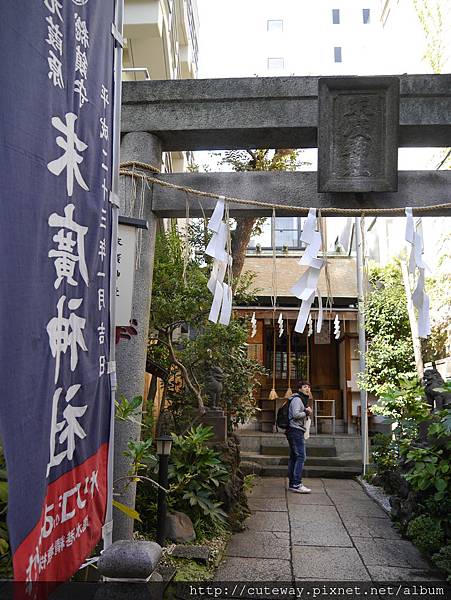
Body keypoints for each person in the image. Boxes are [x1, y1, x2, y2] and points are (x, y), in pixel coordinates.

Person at [286, 380, 313, 493]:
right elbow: (296, 414)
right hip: (295, 430)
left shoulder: (300, 399)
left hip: (294, 430)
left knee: (294, 457)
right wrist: (306, 412)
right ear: (300, 389)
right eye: (305, 386)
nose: (307, 389)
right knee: (301, 456)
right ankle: (297, 483)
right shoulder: (297, 399)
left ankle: (293, 483)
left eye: (309, 387)